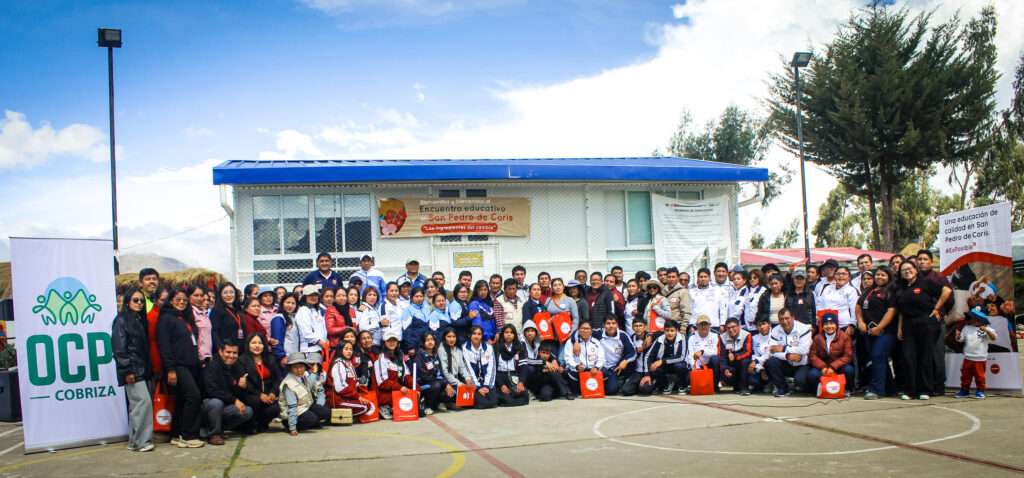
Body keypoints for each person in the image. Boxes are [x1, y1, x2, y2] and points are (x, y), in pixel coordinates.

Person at [895, 261, 952, 400]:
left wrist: (937, 308)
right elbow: (901, 311)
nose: (907, 271)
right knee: (909, 357)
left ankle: (925, 390)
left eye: (909, 268)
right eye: (903, 270)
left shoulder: (926, 283)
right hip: (908, 325)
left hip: (926, 324)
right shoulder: (901, 288)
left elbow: (947, 290)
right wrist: (899, 328)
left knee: (925, 357)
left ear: (915, 269)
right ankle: (910, 391)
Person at [157, 289, 204, 448]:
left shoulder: (186, 319)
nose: (182, 302)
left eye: (184, 299)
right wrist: (170, 369)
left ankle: (176, 434)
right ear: (171, 301)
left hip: (192, 364)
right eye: (178, 299)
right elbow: (164, 345)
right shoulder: (166, 319)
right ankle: (188, 434)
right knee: (194, 396)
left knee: (182, 400)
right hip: (178, 365)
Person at [112, 286, 154, 452]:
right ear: (127, 302)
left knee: (137, 406)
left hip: (142, 369)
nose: (139, 303)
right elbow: (119, 348)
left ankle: (134, 441)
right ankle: (140, 442)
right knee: (143, 403)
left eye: (141, 301)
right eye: (135, 300)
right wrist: (127, 370)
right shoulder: (121, 320)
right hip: (132, 369)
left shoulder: (138, 320)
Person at [856, 267, 898, 400]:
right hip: (868, 331)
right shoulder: (869, 290)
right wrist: (860, 322)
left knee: (878, 356)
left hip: (885, 332)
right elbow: (858, 306)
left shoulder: (891, 291)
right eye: (878, 275)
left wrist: (880, 327)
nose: (879, 277)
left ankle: (876, 389)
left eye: (883, 275)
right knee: (879, 359)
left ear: (889, 277)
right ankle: (890, 388)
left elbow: (891, 311)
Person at [202, 339, 254, 445]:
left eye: (234, 353)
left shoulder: (237, 366)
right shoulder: (212, 365)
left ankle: (219, 429)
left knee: (247, 411)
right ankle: (214, 434)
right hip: (207, 404)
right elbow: (212, 391)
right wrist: (234, 400)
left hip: (226, 405)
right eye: (228, 352)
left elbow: (239, 393)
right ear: (221, 352)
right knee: (216, 403)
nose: (231, 356)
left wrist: (242, 386)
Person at [238, 333, 281, 433]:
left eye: (260, 343)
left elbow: (278, 379)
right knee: (255, 401)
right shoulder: (242, 360)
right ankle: (252, 424)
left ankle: (262, 424)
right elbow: (245, 382)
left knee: (277, 407)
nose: (257, 346)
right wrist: (260, 395)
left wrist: (273, 393)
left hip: (268, 396)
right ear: (248, 344)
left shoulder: (270, 358)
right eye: (253, 343)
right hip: (251, 395)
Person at [764, 308, 812, 397]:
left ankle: (797, 384)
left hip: (801, 363)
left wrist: (784, 348)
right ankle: (782, 388)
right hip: (786, 362)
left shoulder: (804, 328)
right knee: (770, 362)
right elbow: (771, 351)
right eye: (781, 319)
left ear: (793, 317)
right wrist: (787, 355)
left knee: (800, 382)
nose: (784, 322)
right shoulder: (775, 330)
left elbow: (805, 349)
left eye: (787, 318)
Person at [279, 353, 330, 435]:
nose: (299, 370)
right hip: (292, 413)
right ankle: (289, 426)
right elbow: (292, 407)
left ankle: (310, 422)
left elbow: (315, 386)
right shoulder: (288, 384)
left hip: (304, 406)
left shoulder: (303, 377)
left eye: (301, 367)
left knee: (326, 412)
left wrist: (314, 373)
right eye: (295, 367)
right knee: (312, 419)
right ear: (290, 368)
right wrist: (292, 428)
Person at [807, 313, 855, 398]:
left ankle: (847, 389)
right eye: (826, 324)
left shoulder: (845, 337)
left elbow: (848, 356)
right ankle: (820, 390)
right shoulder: (817, 337)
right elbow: (812, 356)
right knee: (812, 374)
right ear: (822, 326)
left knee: (849, 370)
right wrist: (823, 367)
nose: (829, 326)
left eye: (832, 323)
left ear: (836, 325)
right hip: (824, 368)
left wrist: (833, 367)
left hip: (839, 367)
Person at [955, 308, 997, 399]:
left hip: (980, 358)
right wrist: (958, 336)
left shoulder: (987, 329)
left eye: (971, 318)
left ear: (979, 320)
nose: (969, 320)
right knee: (965, 376)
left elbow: (994, 338)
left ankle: (980, 391)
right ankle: (964, 390)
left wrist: (987, 331)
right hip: (968, 357)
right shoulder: (966, 328)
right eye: (969, 318)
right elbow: (961, 339)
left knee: (980, 376)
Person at [374, 330, 414, 420]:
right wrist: (400, 388)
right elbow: (383, 383)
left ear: (397, 343)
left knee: (414, 394)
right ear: (384, 343)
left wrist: (415, 389)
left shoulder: (400, 357)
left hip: (398, 390)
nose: (392, 343)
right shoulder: (381, 359)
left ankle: (393, 406)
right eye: (389, 340)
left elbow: (407, 376)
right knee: (405, 395)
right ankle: (383, 406)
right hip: (384, 394)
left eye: (394, 340)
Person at [593, 315, 635, 395]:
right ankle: (609, 380)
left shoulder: (623, 335)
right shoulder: (598, 333)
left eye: (613, 323)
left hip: (615, 369)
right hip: (601, 368)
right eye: (608, 323)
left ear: (617, 325)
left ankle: (614, 381)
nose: (611, 326)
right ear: (604, 325)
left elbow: (632, 352)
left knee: (611, 391)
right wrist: (576, 342)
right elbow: (580, 331)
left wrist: (625, 361)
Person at [327, 341, 371, 418]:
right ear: (340, 350)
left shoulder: (349, 364)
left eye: (351, 349)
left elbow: (354, 382)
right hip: (338, 400)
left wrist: (361, 385)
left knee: (369, 402)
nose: (349, 351)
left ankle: (345, 416)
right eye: (346, 349)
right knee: (366, 406)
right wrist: (358, 397)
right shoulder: (338, 364)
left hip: (349, 398)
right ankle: (336, 416)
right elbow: (340, 388)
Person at [461, 326, 499, 409]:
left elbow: (492, 368)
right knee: (482, 403)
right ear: (470, 335)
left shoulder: (488, 347)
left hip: (486, 383)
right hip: (473, 383)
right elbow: (468, 369)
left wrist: (487, 386)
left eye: (479, 334)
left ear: (482, 336)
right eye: (474, 334)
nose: (476, 336)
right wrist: (477, 387)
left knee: (494, 401)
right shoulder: (465, 348)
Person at [563, 321, 606, 394]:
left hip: (593, 372)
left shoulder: (596, 342)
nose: (585, 331)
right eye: (582, 328)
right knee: (576, 391)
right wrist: (576, 366)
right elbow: (568, 358)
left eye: (587, 329)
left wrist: (596, 367)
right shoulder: (570, 343)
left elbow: (602, 359)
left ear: (591, 331)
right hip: (577, 372)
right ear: (578, 330)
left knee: (608, 385)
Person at [648, 319, 688, 394]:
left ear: (677, 331)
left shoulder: (682, 338)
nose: (669, 333)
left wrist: (662, 361)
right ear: (664, 330)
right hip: (664, 366)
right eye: (667, 330)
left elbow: (681, 357)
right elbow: (649, 355)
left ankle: (683, 385)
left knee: (680, 366)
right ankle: (665, 385)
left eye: (672, 331)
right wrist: (648, 372)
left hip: (678, 364)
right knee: (655, 367)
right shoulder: (659, 339)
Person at [494, 325, 530, 406]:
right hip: (500, 376)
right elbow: (493, 370)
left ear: (515, 335)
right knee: (506, 397)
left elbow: (524, 367)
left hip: (514, 376)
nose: (509, 334)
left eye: (511, 332)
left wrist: (521, 382)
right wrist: (502, 385)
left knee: (525, 396)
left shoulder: (519, 347)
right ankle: (507, 400)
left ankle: (509, 400)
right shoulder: (496, 347)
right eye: (506, 332)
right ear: (502, 334)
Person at [294, 285, 328, 369]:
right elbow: (306, 333)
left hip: (319, 349)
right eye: (310, 295)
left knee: (319, 377)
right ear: (304, 297)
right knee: (312, 378)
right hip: (310, 350)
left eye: (315, 295)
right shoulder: (303, 310)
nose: (313, 297)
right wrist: (321, 342)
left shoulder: (316, 310)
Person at [817, 266, 859, 333]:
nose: (840, 276)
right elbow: (819, 303)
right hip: (825, 325)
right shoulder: (827, 288)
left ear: (849, 277)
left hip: (843, 326)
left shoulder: (851, 290)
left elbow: (854, 309)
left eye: (844, 274)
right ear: (834, 276)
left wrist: (852, 325)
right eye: (838, 274)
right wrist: (818, 316)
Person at [437, 327, 471, 408]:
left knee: (470, 393)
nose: (451, 339)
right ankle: (441, 402)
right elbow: (445, 372)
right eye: (449, 337)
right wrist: (459, 384)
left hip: (456, 379)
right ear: (444, 338)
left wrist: (468, 378)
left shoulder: (458, 350)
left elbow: (462, 367)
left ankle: (452, 402)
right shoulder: (441, 349)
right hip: (445, 381)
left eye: (453, 337)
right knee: (451, 393)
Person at [621, 318, 655, 396]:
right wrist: (637, 350)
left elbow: (660, 333)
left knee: (646, 390)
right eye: (635, 326)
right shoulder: (630, 339)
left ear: (645, 327)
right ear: (632, 328)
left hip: (649, 371)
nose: (638, 328)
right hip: (637, 372)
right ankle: (638, 385)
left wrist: (650, 335)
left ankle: (652, 383)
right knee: (626, 391)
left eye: (640, 326)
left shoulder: (651, 337)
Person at [719, 317, 752, 395]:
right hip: (730, 364)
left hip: (742, 362)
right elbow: (722, 356)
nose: (731, 330)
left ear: (739, 326)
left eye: (733, 327)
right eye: (728, 328)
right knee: (723, 370)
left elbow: (748, 352)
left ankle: (744, 388)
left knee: (745, 362)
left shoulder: (747, 335)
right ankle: (736, 386)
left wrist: (736, 356)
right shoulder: (722, 337)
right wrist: (725, 369)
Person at [687, 315, 721, 392]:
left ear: (710, 326)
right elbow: (690, 355)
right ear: (697, 326)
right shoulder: (692, 338)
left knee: (715, 359)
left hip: (710, 365)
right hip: (697, 366)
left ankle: (715, 385)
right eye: (701, 324)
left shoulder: (715, 336)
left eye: (706, 324)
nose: (703, 327)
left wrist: (702, 351)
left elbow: (716, 352)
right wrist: (696, 368)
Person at [414, 332, 444, 415]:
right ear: (423, 342)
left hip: (434, 380)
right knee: (437, 385)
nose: (430, 342)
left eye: (432, 339)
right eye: (427, 340)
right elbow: (423, 376)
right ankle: (429, 406)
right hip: (423, 383)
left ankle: (438, 403)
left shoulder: (435, 353)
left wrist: (445, 383)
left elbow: (440, 371)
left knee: (449, 387)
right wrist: (441, 381)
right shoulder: (420, 355)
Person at [690, 268, 727, 333]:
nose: (703, 279)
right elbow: (690, 310)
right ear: (697, 278)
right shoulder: (691, 292)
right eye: (701, 277)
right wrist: (691, 325)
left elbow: (722, 309)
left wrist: (722, 324)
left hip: (713, 325)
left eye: (705, 277)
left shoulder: (717, 291)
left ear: (709, 278)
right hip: (696, 325)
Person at [211, 283, 245, 350]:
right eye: (225, 293)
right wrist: (220, 348)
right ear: (220, 295)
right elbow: (214, 332)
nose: (229, 295)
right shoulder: (217, 311)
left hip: (240, 348)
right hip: (226, 350)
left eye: (231, 292)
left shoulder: (238, 309)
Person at [270, 294, 299, 368]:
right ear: (282, 303)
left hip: (294, 356)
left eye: (293, 303)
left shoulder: (293, 318)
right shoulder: (279, 318)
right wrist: (281, 356)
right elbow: (277, 339)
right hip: (285, 357)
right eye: (288, 302)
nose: (290, 305)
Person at [747, 317, 773, 393]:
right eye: (759, 325)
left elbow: (770, 354)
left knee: (772, 362)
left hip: (771, 363)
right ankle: (761, 385)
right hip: (759, 364)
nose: (761, 327)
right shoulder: (755, 338)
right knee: (752, 380)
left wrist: (762, 368)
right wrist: (759, 368)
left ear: (769, 325)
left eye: (764, 324)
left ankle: (773, 383)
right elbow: (755, 354)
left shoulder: (775, 335)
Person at [188, 285, 213, 364]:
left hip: (207, 356)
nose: (199, 298)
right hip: (197, 358)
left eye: (201, 295)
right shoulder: (190, 313)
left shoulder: (204, 312)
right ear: (189, 297)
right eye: (196, 295)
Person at [401, 288, 430, 355]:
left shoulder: (426, 309)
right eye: (416, 296)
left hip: (426, 344)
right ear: (411, 298)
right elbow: (406, 331)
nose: (419, 298)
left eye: (421, 296)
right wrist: (410, 347)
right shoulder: (408, 310)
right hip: (414, 346)